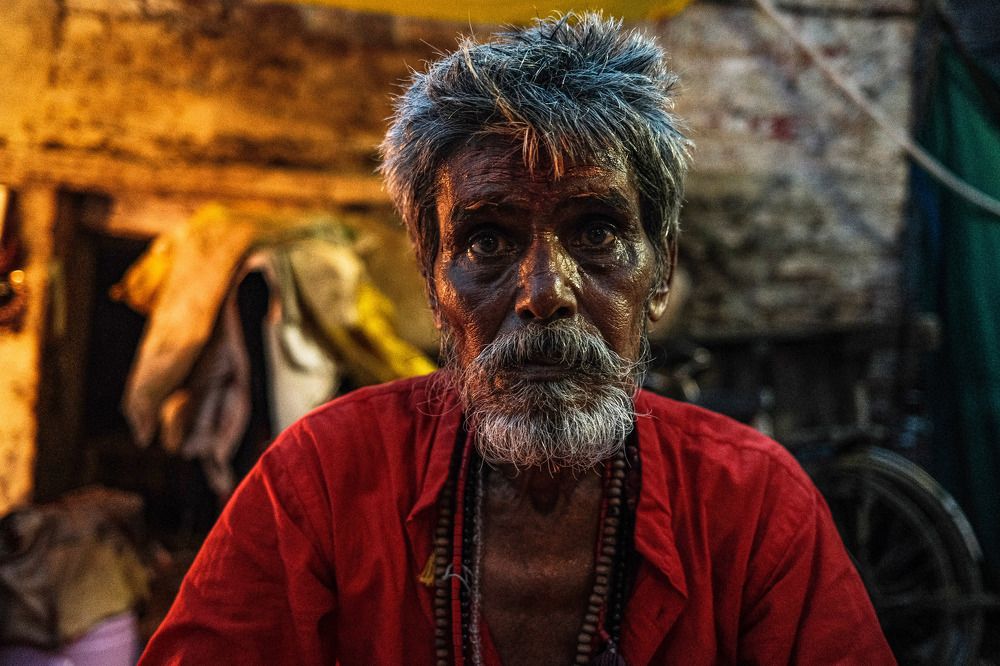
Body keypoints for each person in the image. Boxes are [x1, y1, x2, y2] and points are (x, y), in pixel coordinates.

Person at [140, 13, 894, 665]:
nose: (544, 294)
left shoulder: (755, 505)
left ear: (660, 274)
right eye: (487, 243)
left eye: (596, 233)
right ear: (435, 283)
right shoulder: (323, 480)